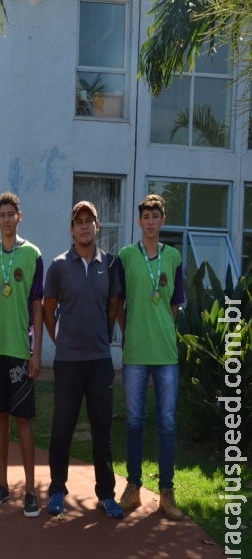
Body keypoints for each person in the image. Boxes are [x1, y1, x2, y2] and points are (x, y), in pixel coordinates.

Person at [43, 200, 124, 519]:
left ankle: (106, 494)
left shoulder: (110, 264)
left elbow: (114, 304)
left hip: (100, 360)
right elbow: (48, 308)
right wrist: (59, 340)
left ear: (98, 226)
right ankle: (57, 491)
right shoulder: (60, 265)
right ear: (71, 227)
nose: (84, 225)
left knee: (102, 429)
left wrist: (102, 336)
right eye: (79, 221)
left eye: (90, 220)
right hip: (68, 361)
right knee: (62, 427)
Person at [116, 194, 185, 520]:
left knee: (168, 424)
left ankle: (167, 493)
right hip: (136, 354)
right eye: (145, 216)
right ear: (139, 221)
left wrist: (161, 328)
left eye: (156, 216)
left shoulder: (173, 257)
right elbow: (119, 303)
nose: (151, 221)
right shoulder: (127, 256)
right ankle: (133, 489)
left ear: (163, 220)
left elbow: (175, 303)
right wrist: (130, 330)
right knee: (134, 422)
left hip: (166, 354)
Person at [0, 192, 44, 518]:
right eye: (1, 214)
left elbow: (37, 306)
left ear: (20, 217)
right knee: (1, 419)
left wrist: (36, 353)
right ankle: (3, 484)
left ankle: (31, 490)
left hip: (21, 350)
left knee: (24, 420)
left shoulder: (32, 254)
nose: (6, 219)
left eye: (11, 214)